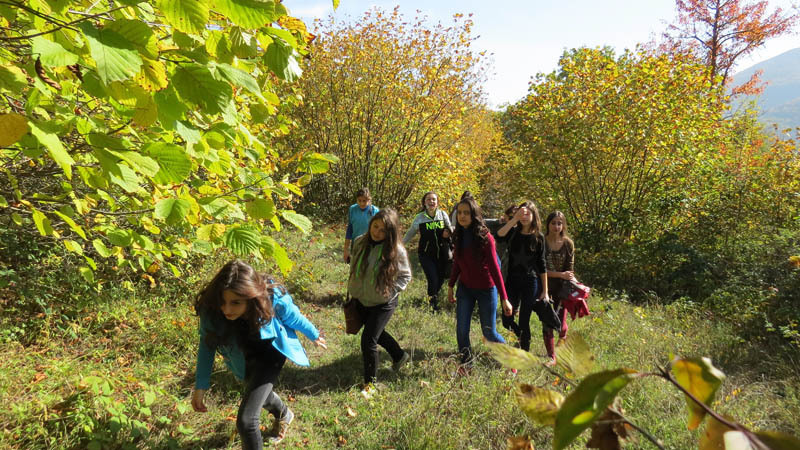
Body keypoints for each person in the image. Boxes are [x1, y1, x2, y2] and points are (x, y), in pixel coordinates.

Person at [191, 260, 327, 448]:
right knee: (258, 392)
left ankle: (282, 415)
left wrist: (313, 334)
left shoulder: (270, 297)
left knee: (246, 421)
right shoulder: (212, 311)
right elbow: (207, 346)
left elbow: (293, 317)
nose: (227, 309)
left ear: (251, 297)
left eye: (235, 303)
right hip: (242, 357)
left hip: (271, 352)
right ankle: (284, 414)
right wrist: (201, 385)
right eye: (223, 302)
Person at [348, 208, 412, 391]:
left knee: (368, 340)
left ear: (390, 233)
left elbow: (405, 276)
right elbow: (354, 265)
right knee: (377, 332)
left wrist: (390, 292)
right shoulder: (359, 241)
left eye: (383, 230)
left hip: (383, 302)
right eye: (375, 226)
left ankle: (370, 385)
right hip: (361, 298)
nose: (377, 232)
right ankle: (399, 356)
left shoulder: (396, 250)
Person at [447, 197, 512, 371]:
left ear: (474, 215)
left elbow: (495, 269)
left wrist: (504, 298)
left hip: (486, 289)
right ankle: (466, 364)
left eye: (466, 213)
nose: (462, 216)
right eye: (460, 213)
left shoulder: (485, 237)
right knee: (462, 330)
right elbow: (457, 263)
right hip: (465, 289)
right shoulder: (458, 235)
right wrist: (451, 285)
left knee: (489, 332)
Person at [497, 201, 559, 366]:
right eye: (521, 213)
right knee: (506, 320)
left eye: (527, 214)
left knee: (524, 320)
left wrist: (545, 291)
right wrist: (514, 219)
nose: (524, 217)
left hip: (530, 282)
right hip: (512, 281)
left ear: (534, 216)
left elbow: (542, 265)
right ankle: (521, 337)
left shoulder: (539, 237)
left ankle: (524, 353)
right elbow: (499, 235)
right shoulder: (513, 232)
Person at [403, 191, 452, 312]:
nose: (431, 201)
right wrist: (400, 244)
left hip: (442, 253)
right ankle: (432, 304)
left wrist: (448, 231)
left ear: (437, 202)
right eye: (428, 199)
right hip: (426, 254)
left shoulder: (442, 215)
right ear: (424, 203)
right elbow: (411, 232)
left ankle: (433, 296)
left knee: (441, 278)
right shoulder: (420, 218)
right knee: (432, 278)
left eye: (434, 199)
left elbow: (450, 228)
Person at [545, 211, 588, 341]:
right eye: (553, 223)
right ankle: (550, 350)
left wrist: (578, 286)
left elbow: (570, 268)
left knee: (560, 322)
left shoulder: (568, 244)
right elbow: (538, 269)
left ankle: (562, 340)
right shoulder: (541, 241)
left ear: (563, 225)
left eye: (560, 223)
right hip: (544, 285)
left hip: (562, 287)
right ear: (548, 224)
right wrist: (560, 274)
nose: (556, 226)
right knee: (547, 321)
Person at [344, 188, 379, 264]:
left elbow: (378, 231)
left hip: (370, 245)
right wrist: (346, 249)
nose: (362, 203)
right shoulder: (352, 209)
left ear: (369, 200)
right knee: (355, 266)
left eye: (364, 201)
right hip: (356, 244)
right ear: (356, 199)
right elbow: (350, 229)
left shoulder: (375, 211)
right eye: (359, 200)